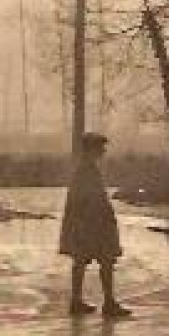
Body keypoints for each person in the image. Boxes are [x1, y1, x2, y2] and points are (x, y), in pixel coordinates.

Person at [59, 132, 131, 317]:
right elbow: (91, 200)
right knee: (105, 261)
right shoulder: (87, 171)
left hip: (85, 225)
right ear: (91, 149)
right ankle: (107, 303)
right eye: (100, 147)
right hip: (92, 225)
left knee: (81, 261)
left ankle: (78, 301)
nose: (103, 151)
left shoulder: (85, 169)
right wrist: (103, 221)